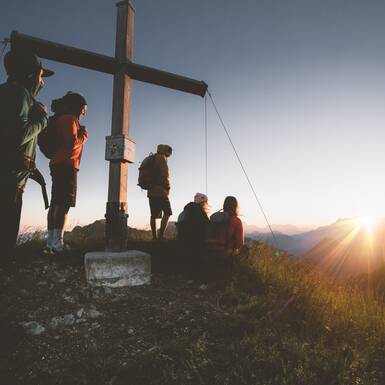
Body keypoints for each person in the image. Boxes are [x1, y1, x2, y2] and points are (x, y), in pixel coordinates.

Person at [0, 49, 53, 268]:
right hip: (9, 181)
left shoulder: (8, 92)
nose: (43, 82)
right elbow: (18, 137)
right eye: (41, 76)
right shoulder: (19, 93)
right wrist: (42, 119)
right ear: (30, 75)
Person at [45, 92, 88, 253]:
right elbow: (71, 144)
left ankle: (50, 243)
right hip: (66, 165)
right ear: (78, 107)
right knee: (63, 204)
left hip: (58, 164)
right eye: (84, 109)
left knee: (55, 203)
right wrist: (83, 135)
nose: (85, 112)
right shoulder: (69, 119)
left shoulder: (62, 118)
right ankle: (57, 244)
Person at [148, 144, 173, 240]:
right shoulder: (161, 159)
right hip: (161, 191)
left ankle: (154, 237)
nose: (170, 154)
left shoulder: (153, 158)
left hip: (151, 191)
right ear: (165, 151)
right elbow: (165, 174)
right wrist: (168, 187)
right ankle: (161, 235)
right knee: (167, 212)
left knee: (153, 215)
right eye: (169, 152)